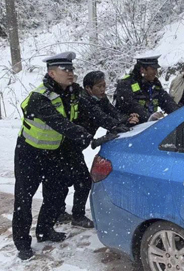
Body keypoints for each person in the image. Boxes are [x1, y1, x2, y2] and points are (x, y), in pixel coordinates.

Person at [13, 51, 101, 261]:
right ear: (52, 73)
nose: (71, 73)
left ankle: (44, 231)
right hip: (29, 153)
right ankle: (23, 244)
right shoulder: (39, 97)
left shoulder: (73, 91)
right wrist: (89, 138)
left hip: (54, 153)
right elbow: (60, 124)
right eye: (65, 70)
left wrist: (117, 124)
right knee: (24, 199)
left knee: (55, 193)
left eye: (71, 69)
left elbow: (95, 109)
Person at [56, 70, 136, 228]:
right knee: (81, 180)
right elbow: (101, 118)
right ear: (88, 88)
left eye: (104, 85)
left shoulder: (100, 98)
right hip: (67, 145)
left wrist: (128, 119)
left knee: (64, 180)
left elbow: (113, 113)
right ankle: (76, 216)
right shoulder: (84, 101)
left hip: (76, 146)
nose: (103, 89)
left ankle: (59, 212)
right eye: (99, 86)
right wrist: (119, 127)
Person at [114, 54, 179, 122]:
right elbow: (132, 105)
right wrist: (149, 117)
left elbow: (166, 101)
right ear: (142, 70)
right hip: (129, 127)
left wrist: (178, 113)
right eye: (153, 69)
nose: (155, 72)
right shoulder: (126, 84)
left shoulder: (155, 83)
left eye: (156, 69)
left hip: (150, 125)